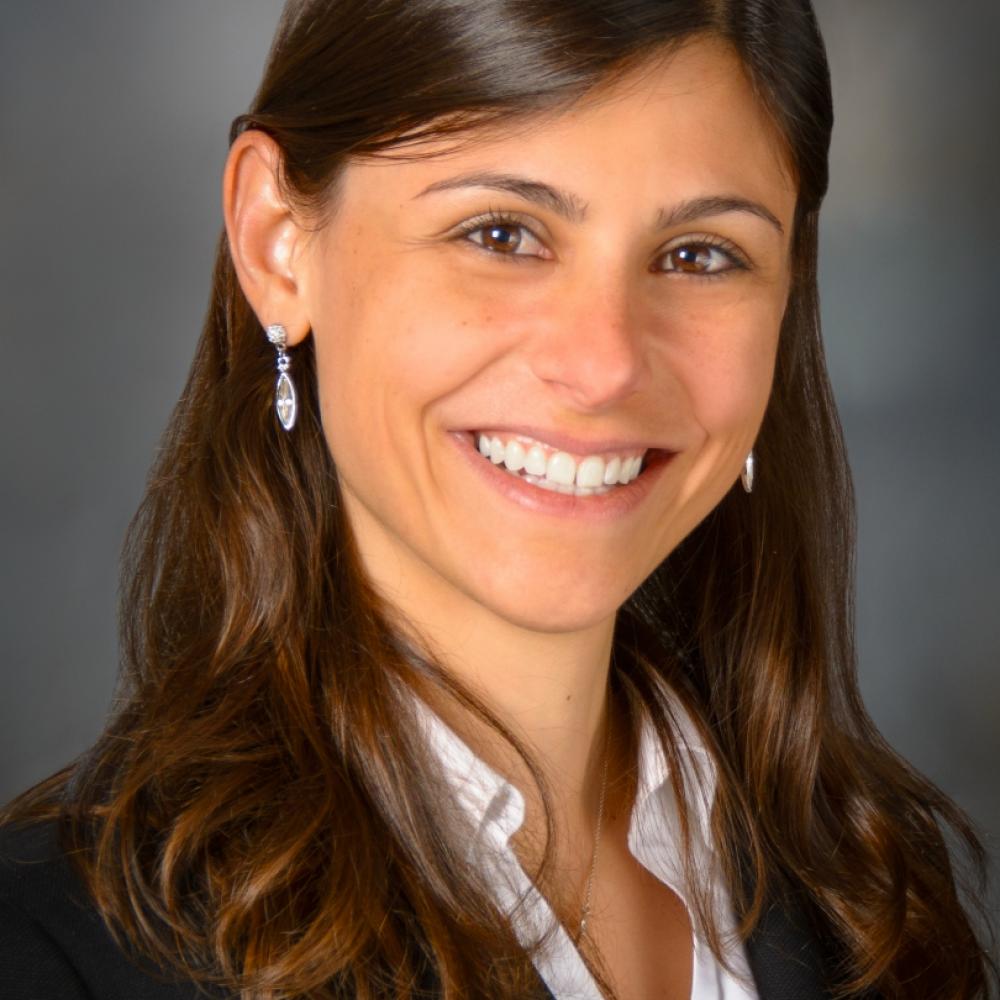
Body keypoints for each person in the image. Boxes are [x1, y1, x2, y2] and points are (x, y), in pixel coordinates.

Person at [1, 1, 995, 998]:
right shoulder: (49, 952)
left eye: (700, 254)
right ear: (275, 241)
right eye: (500, 233)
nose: (603, 363)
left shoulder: (870, 903)